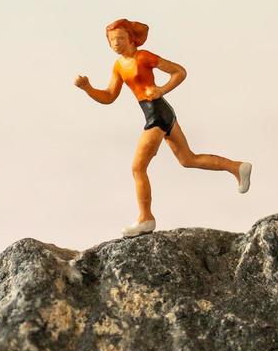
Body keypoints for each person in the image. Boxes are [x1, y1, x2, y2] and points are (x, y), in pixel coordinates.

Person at [75, 18, 252, 237]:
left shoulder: (144, 56)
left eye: (121, 38)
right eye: (112, 40)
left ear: (131, 39)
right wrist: (88, 88)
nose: (116, 43)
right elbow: (109, 96)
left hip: (157, 113)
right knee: (188, 159)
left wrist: (161, 90)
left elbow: (179, 71)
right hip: (159, 113)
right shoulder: (119, 66)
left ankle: (145, 218)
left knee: (138, 168)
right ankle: (236, 167)